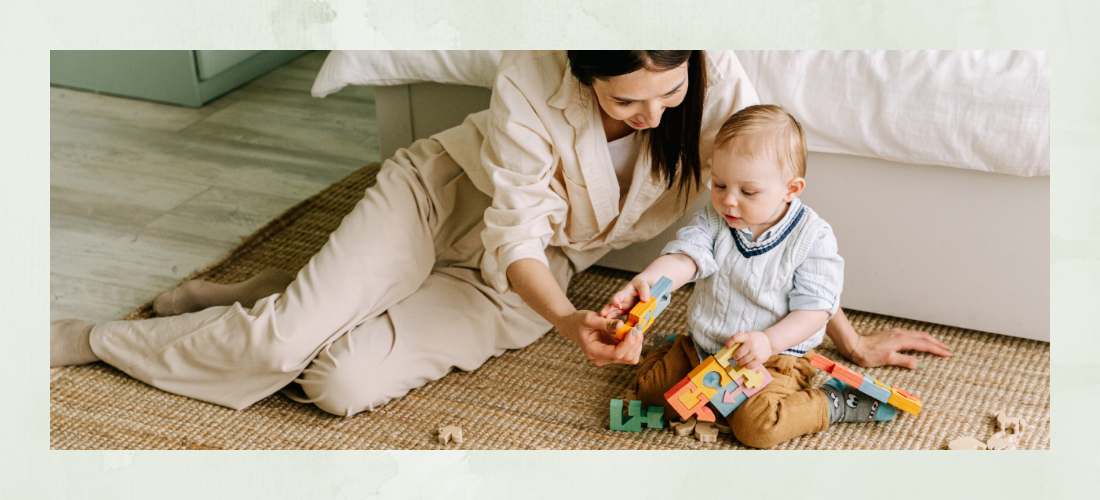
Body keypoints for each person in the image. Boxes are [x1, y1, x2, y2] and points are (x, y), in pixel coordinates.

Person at [51, 51, 950, 419]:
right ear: (582, 67)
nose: (651, 116)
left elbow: (783, 247)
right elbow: (513, 228)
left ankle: (262, 299)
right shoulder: (531, 74)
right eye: (624, 99)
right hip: (446, 206)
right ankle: (97, 341)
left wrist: (849, 340)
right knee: (286, 338)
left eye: (668, 92)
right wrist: (571, 325)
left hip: (541, 270)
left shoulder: (722, 100)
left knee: (337, 381)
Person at [601, 104, 950, 449]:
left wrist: (768, 341)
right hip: (704, 347)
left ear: (791, 189)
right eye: (719, 184)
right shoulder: (714, 219)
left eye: (747, 192)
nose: (728, 202)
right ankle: (670, 348)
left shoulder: (812, 237)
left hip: (776, 358)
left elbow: (815, 311)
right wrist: (647, 281)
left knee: (757, 427)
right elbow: (686, 257)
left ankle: (832, 403)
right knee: (650, 392)